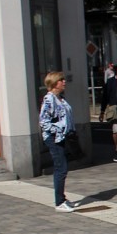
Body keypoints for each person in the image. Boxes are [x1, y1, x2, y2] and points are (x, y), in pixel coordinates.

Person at [39, 71, 78, 212]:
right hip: (54, 138)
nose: (64, 82)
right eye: (61, 80)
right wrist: (58, 130)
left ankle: (62, 197)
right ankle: (59, 202)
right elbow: (43, 122)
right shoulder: (49, 99)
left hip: (62, 137)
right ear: (55, 83)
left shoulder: (60, 98)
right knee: (60, 168)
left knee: (62, 167)